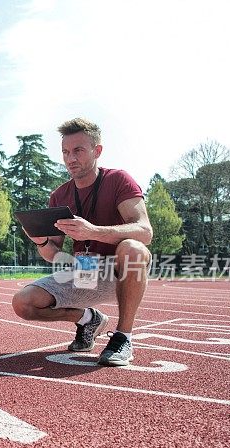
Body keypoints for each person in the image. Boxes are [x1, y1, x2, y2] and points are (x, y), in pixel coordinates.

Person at [11, 118, 153, 365]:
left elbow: (145, 232)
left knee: (134, 248)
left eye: (78, 150)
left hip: (119, 271)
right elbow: (53, 255)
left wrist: (93, 231)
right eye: (65, 152)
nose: (70, 159)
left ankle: (123, 337)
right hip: (83, 272)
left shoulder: (119, 180)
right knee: (23, 303)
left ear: (97, 150)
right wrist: (41, 242)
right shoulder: (59, 194)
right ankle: (88, 319)